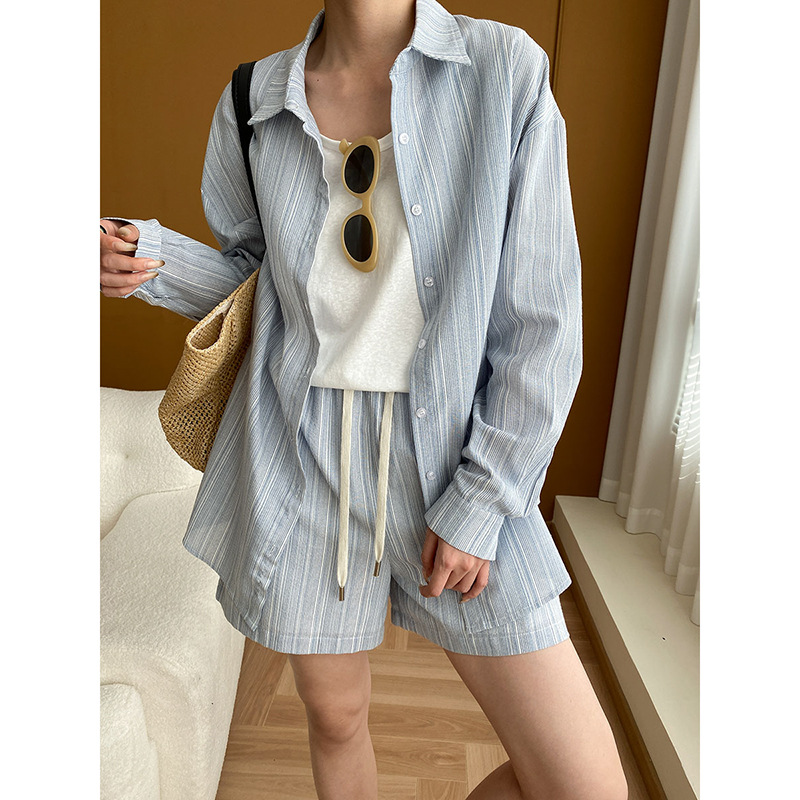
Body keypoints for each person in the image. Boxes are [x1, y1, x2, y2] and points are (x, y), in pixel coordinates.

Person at [100, 1, 628, 798]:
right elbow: (260, 290)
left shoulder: (504, 72)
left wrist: (483, 498)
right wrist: (152, 261)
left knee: (583, 785)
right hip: (303, 450)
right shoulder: (254, 99)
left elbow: (543, 320)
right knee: (337, 718)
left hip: (459, 454)